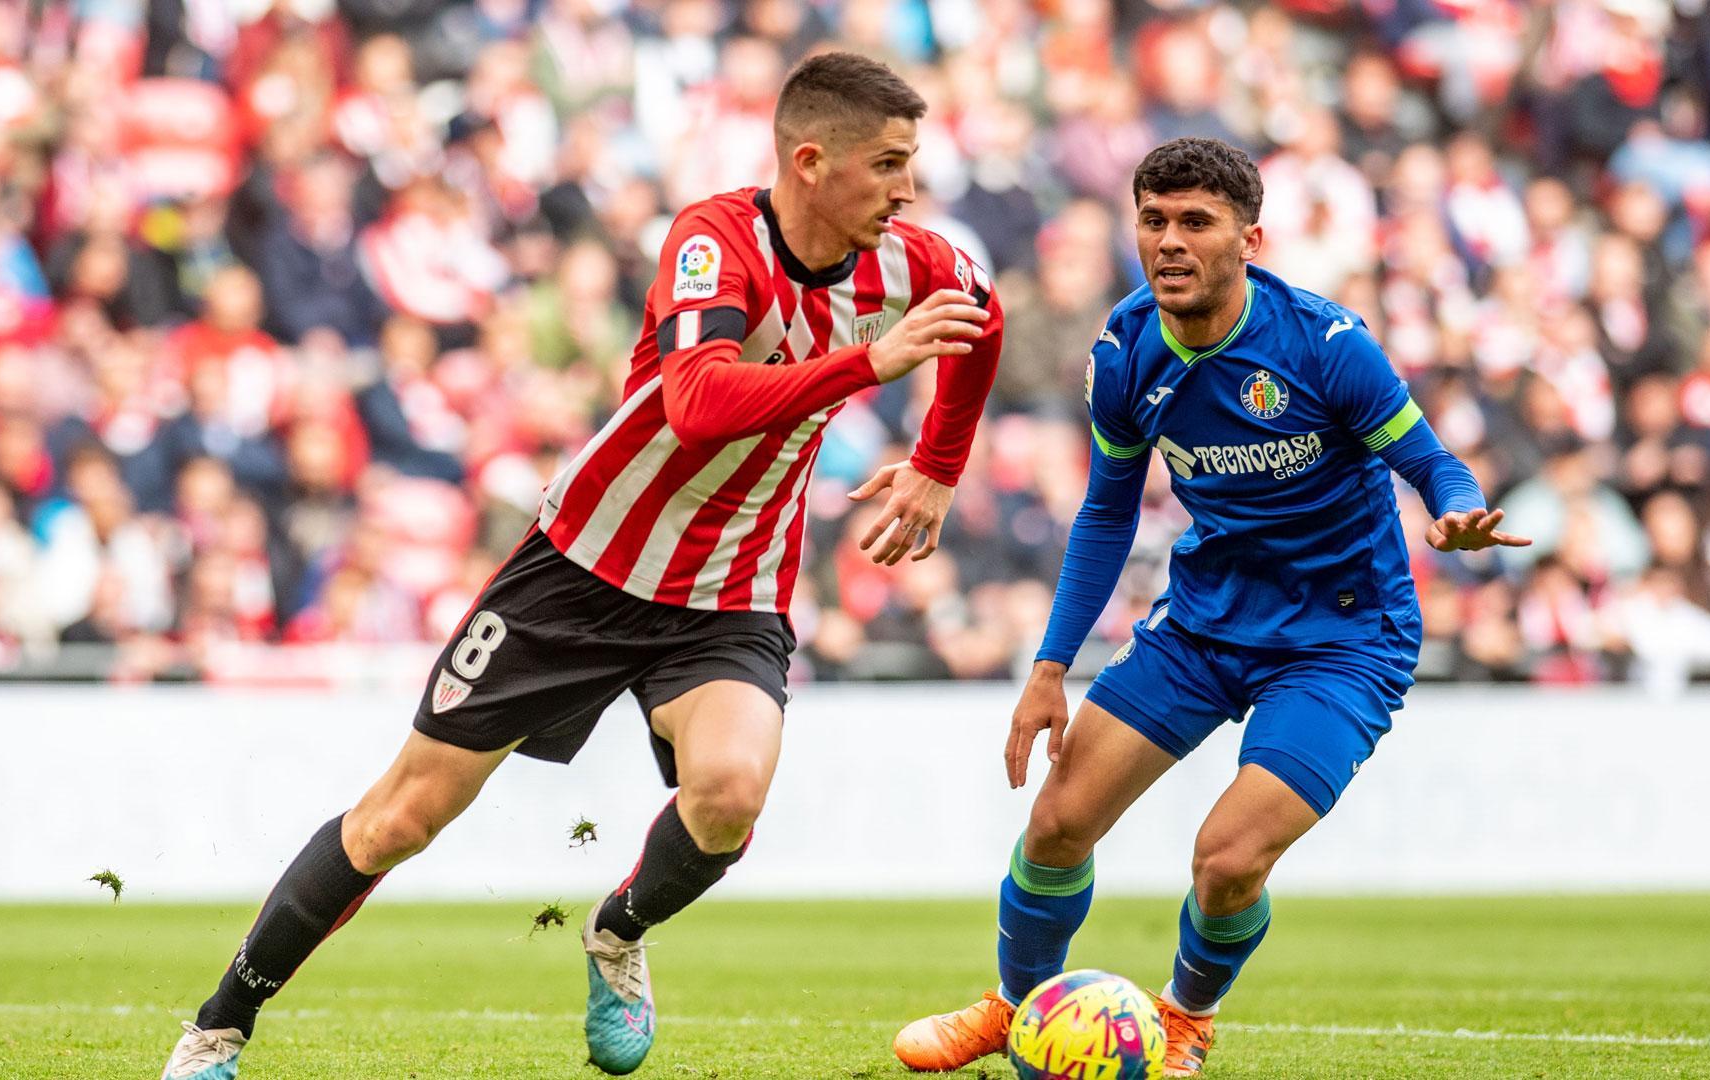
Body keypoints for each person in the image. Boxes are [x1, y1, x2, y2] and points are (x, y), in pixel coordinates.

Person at [161, 51, 1003, 1080]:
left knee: (730, 793)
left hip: (727, 588)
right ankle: (218, 1027)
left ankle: (617, 931)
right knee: (401, 818)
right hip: (583, 566)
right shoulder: (714, 240)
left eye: (911, 163)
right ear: (811, 162)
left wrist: (938, 467)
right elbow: (697, 402)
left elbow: (984, 319)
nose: (908, 187)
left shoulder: (914, 262)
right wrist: (868, 363)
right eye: (889, 164)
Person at [890, 137, 1526, 1077]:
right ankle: (1018, 1007)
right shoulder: (1125, 350)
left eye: (1196, 222)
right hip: (1203, 621)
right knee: (1058, 822)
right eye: (1153, 221)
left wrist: (1458, 511)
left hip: (1343, 641)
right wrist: (1050, 667)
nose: (1170, 242)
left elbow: (1430, 462)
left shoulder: (1325, 346)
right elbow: (1106, 515)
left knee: (1226, 860)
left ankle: (1186, 1015)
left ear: (1249, 240)